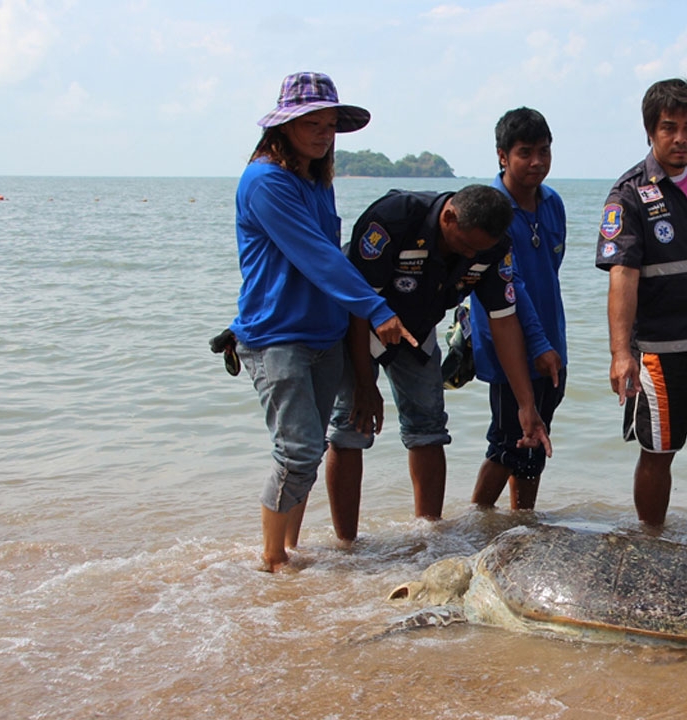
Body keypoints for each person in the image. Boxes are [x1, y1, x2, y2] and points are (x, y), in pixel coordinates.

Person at [229, 71, 412, 572]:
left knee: (306, 455)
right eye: (310, 121)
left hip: (324, 335)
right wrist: (376, 309)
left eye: (330, 123)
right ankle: (270, 560)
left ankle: (290, 549)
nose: (322, 132)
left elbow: (334, 252)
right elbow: (317, 256)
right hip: (276, 335)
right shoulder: (266, 181)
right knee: (297, 449)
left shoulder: (315, 179)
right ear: (283, 126)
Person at [324, 184, 552, 539]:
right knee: (350, 428)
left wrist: (526, 404)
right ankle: (346, 545)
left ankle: (428, 538)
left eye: (479, 250)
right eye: (464, 245)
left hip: (417, 329)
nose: (469, 254)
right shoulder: (393, 217)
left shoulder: (494, 247)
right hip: (359, 323)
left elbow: (504, 321)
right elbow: (355, 300)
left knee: (429, 429)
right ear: (448, 216)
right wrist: (364, 386)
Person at [595, 78, 687, 528]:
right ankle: (651, 542)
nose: (681, 138)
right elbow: (622, 276)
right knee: (659, 450)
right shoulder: (627, 195)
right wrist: (621, 354)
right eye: (669, 127)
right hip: (663, 348)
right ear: (650, 131)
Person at [469, 108, 568, 511]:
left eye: (544, 151)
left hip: (551, 345)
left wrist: (551, 343)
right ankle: (477, 524)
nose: (537, 162)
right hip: (510, 347)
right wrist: (539, 344)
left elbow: (549, 270)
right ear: (502, 156)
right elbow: (512, 288)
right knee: (508, 443)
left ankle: (520, 525)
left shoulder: (552, 203)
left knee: (534, 445)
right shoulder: (493, 211)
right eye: (525, 152)